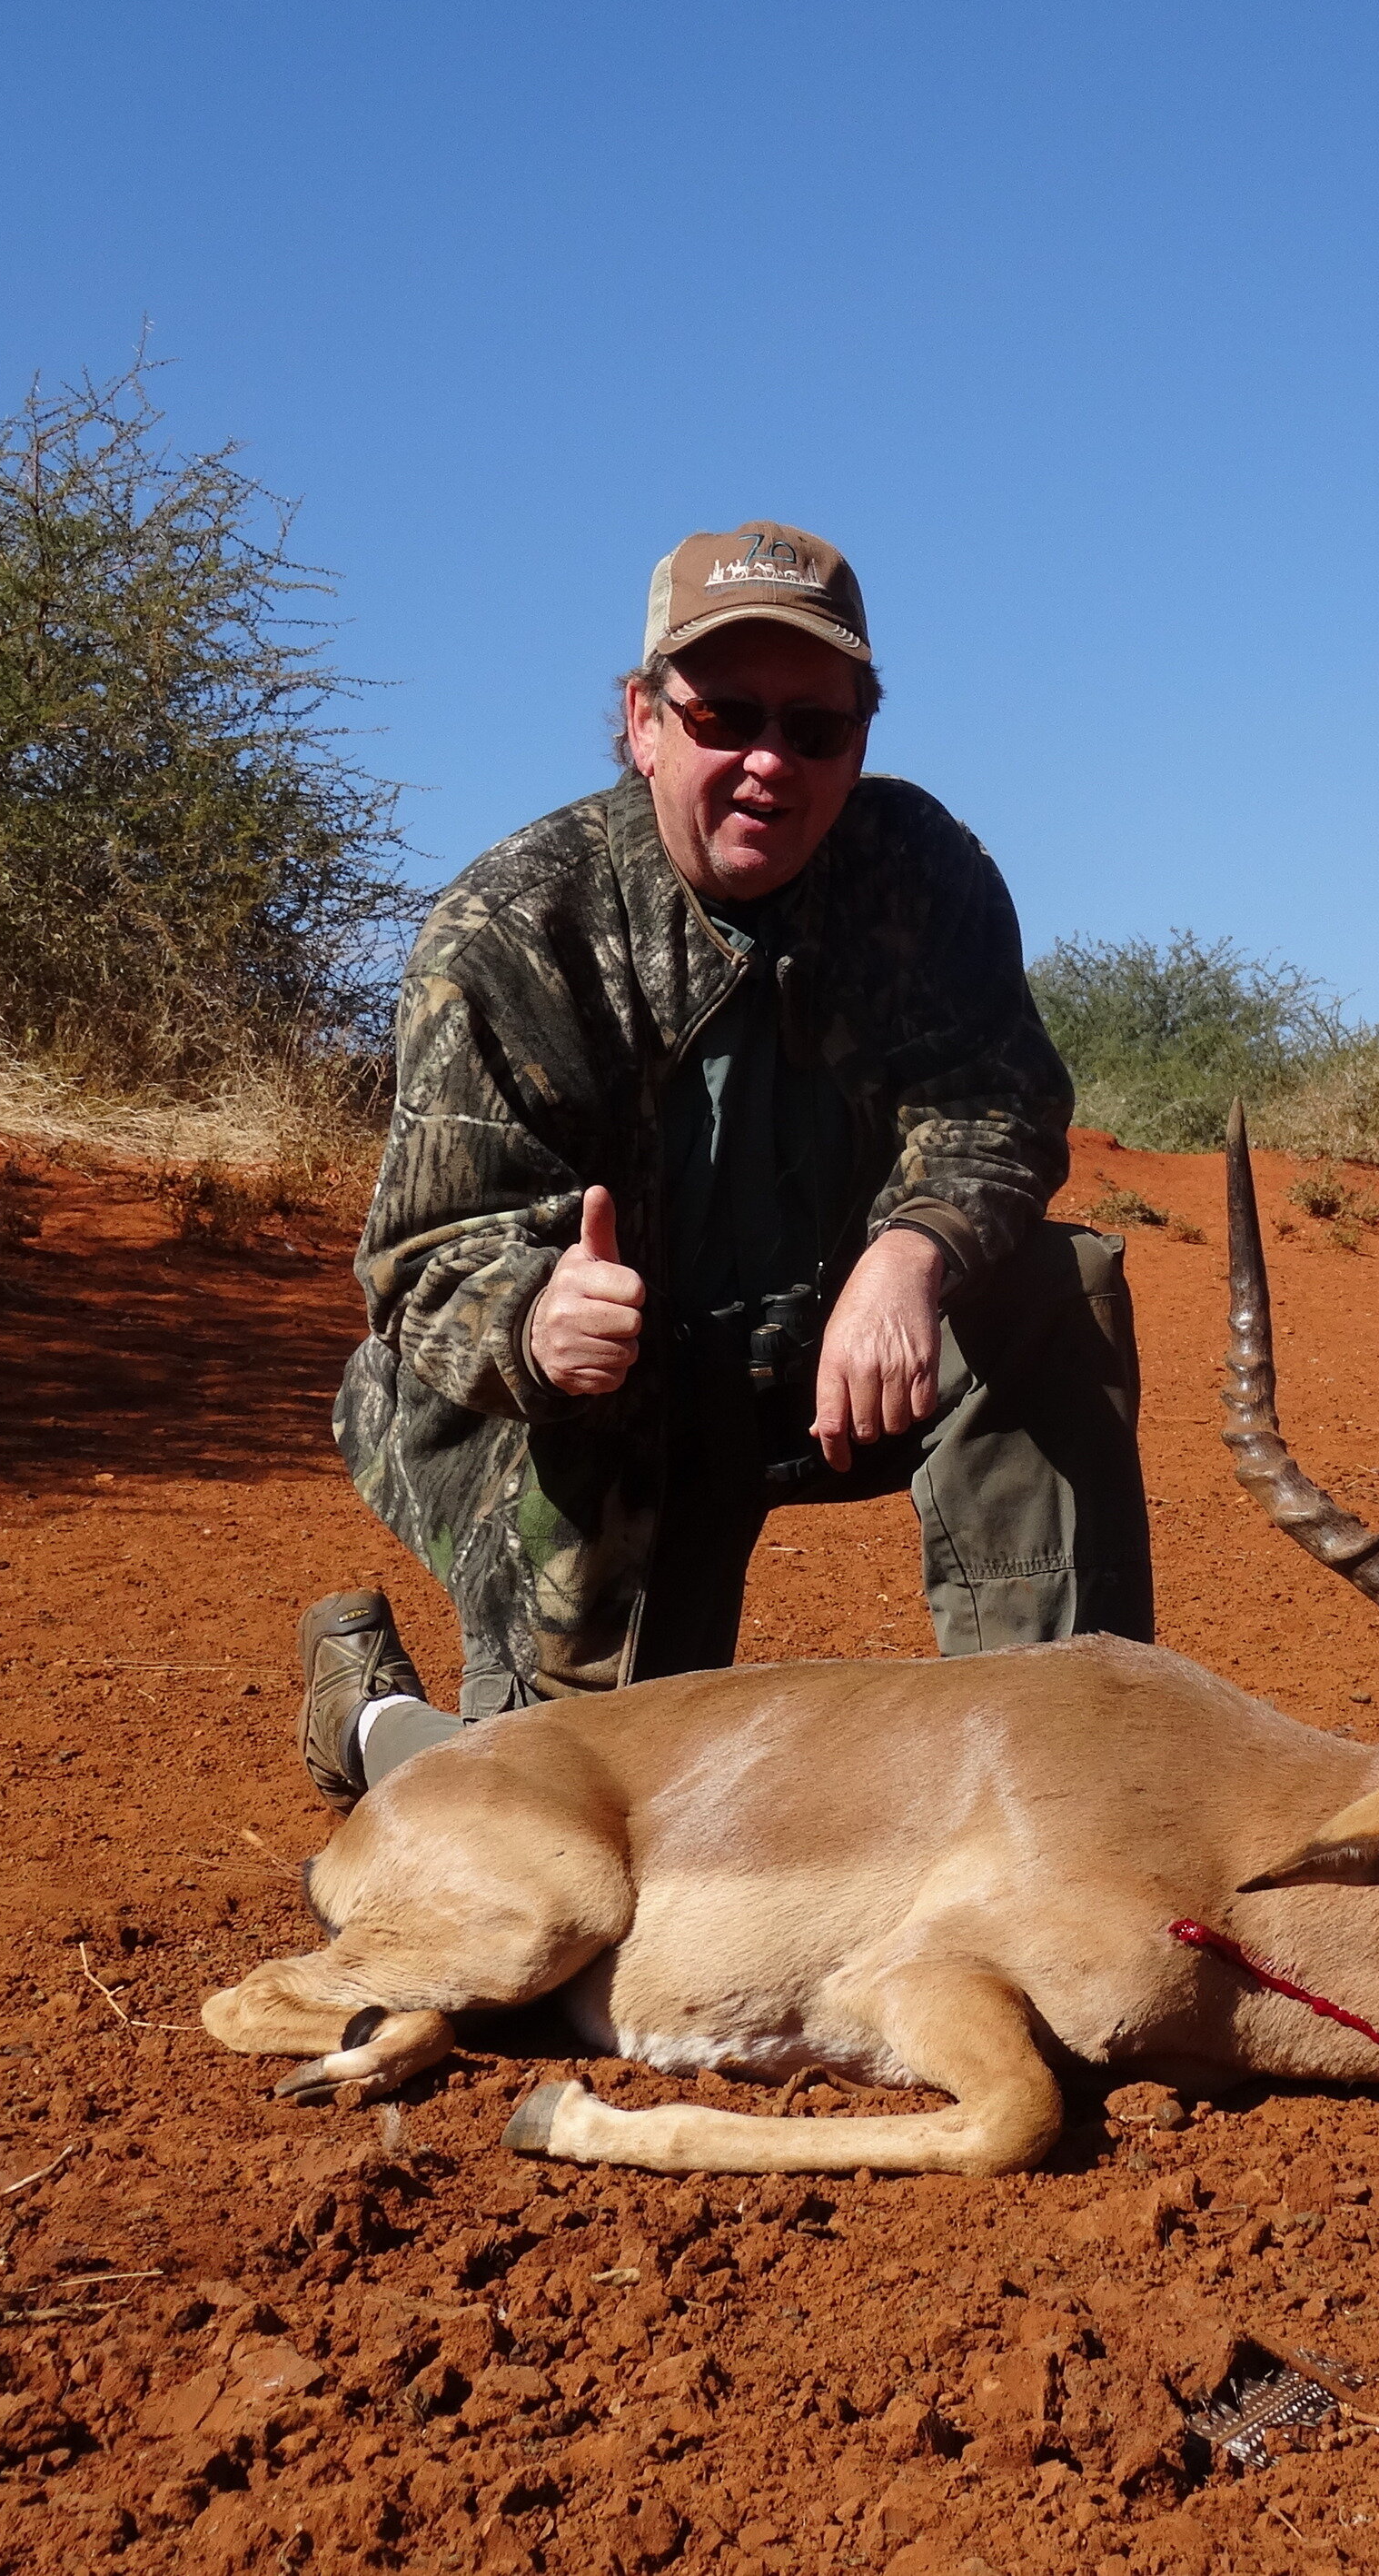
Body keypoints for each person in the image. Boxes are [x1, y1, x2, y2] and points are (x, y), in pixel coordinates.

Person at [299, 522, 1155, 1804]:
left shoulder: (920, 870)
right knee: (587, 1818)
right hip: (581, 1400)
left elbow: (999, 1108)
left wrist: (910, 1255)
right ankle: (370, 1722)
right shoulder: (512, 927)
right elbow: (423, 1266)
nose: (770, 762)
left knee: (1048, 1290)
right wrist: (536, 1321)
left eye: (815, 730)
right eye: (725, 716)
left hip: (818, 1368)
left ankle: (1065, 1766)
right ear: (645, 722)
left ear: (859, 743)